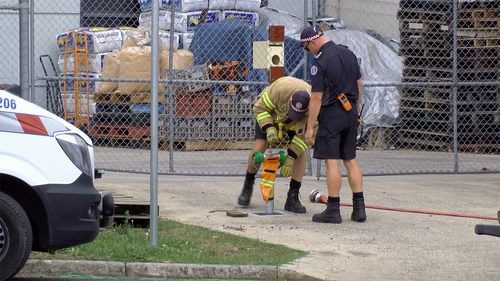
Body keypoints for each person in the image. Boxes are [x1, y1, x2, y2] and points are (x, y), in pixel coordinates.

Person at [300, 26, 366, 223]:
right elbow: (359, 85)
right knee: (350, 160)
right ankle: (359, 209)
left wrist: (310, 127)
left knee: (331, 161)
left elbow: (317, 98)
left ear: (311, 42)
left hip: (331, 115)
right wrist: (354, 110)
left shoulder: (319, 62)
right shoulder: (349, 54)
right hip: (350, 114)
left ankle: (333, 209)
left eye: (306, 48)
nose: (308, 52)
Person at [237, 76, 317, 213]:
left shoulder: (314, 110)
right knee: (259, 147)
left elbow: (303, 138)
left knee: (301, 154)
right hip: (270, 116)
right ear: (289, 101)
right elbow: (259, 108)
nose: (293, 117)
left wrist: (290, 158)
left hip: (296, 127)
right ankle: (248, 184)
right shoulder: (280, 90)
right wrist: (268, 127)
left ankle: (293, 196)